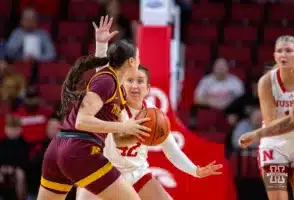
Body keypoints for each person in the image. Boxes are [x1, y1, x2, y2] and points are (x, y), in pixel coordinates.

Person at [37, 16, 151, 200]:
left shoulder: (114, 87)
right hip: (80, 149)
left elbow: (119, 139)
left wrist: (140, 132)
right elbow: (82, 121)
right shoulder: (107, 80)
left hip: (60, 149)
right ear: (131, 62)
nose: (139, 61)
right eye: (138, 57)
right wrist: (124, 126)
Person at [76, 65, 223, 200]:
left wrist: (195, 170)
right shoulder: (110, 106)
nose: (134, 85)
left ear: (147, 88)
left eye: (140, 81)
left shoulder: (155, 114)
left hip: (136, 173)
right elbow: (101, 76)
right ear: (121, 86)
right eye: (130, 80)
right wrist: (101, 45)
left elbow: (172, 151)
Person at [240, 35, 294, 200]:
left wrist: (257, 133)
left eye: (288, 51)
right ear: (274, 55)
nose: (283, 55)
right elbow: (273, 123)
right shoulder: (266, 82)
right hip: (274, 144)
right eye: (279, 51)